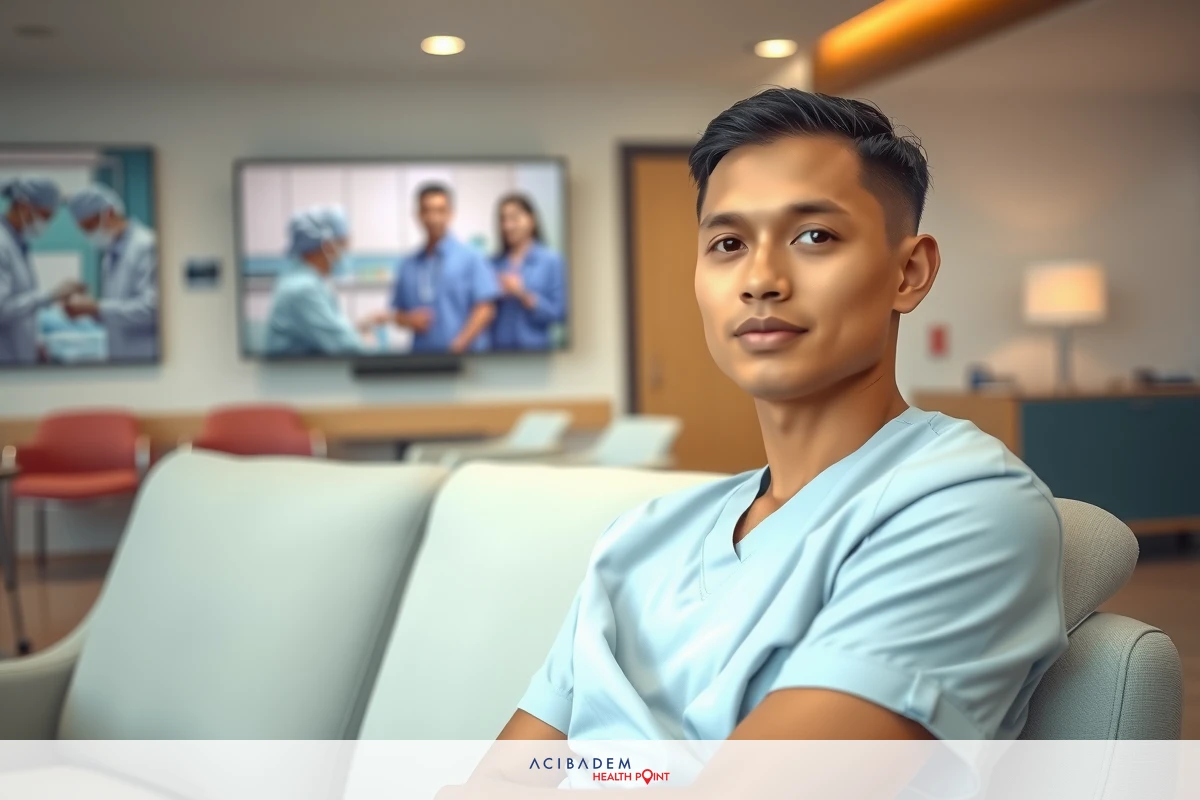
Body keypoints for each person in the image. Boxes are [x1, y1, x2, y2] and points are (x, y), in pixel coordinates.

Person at [497, 90, 1067, 749]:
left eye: (813, 236)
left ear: (908, 272)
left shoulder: (965, 507)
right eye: (729, 243)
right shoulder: (641, 539)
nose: (760, 279)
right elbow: (510, 776)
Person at [362, 184, 499, 354]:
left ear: (450, 214)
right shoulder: (408, 264)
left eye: (440, 210)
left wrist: (458, 346)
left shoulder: (472, 258)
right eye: (427, 210)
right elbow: (398, 314)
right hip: (422, 362)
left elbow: (485, 309)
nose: (434, 218)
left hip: (466, 363)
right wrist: (408, 320)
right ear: (418, 215)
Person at [65, 184, 159, 362]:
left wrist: (97, 308)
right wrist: (90, 311)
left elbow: (152, 309)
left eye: (89, 226)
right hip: (121, 356)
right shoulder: (110, 254)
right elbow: (117, 312)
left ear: (108, 213)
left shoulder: (146, 246)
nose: (88, 234)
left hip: (147, 356)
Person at [0, 177, 82, 365]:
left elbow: (20, 303)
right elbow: (2, 309)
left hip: (19, 356)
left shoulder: (17, 242)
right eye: (44, 216)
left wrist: (34, 343)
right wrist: (49, 296)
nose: (46, 223)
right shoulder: (2, 243)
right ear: (23, 206)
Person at [264, 206, 365, 356]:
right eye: (343, 243)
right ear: (328, 247)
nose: (346, 251)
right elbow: (347, 348)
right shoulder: (303, 289)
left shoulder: (305, 280)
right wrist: (365, 340)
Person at [489, 193, 566, 351]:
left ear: (531, 220)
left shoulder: (552, 261)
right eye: (503, 220)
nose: (507, 226)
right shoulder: (493, 264)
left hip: (536, 355)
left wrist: (523, 294)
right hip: (497, 354)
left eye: (514, 219)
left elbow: (560, 314)